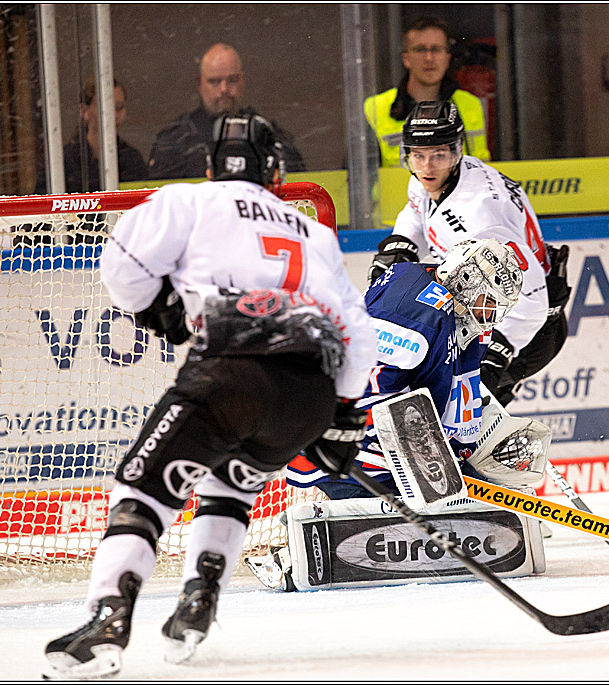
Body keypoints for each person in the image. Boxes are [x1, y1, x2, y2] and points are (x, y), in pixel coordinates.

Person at [42, 114, 376, 678]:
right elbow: (358, 334)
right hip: (308, 396)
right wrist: (341, 413)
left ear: (209, 167)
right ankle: (199, 602)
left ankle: (107, 620)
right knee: (229, 485)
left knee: (142, 490)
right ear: (275, 173)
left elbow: (121, 265)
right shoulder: (311, 232)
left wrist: (160, 309)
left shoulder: (187, 201)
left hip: (230, 376)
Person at [286, 237, 525, 498]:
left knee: (494, 514)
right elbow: (362, 393)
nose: (489, 314)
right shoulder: (412, 312)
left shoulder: (450, 302)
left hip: (419, 460)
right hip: (358, 464)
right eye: (488, 301)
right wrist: (415, 453)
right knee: (464, 520)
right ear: (465, 280)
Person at [369, 100, 571, 408]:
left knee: (467, 419)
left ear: (456, 151)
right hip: (479, 315)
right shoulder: (435, 178)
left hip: (528, 329)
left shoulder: (480, 214)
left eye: (438, 155)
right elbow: (416, 210)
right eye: (418, 155)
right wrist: (401, 245)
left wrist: (495, 355)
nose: (427, 167)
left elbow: (532, 300)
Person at [147, 43, 305, 180]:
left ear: (242, 79)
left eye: (232, 80)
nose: (224, 89)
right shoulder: (174, 142)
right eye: (214, 81)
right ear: (199, 84)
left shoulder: (268, 135)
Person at [363, 17, 490, 167]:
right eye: (420, 49)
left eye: (436, 49)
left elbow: (482, 170)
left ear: (447, 58)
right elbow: (363, 173)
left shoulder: (470, 104)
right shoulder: (376, 107)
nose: (429, 58)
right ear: (406, 58)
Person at [34, 78, 148, 194]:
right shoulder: (62, 163)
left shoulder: (132, 160)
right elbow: (43, 202)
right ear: (84, 110)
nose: (114, 115)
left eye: (119, 107)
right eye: (105, 108)